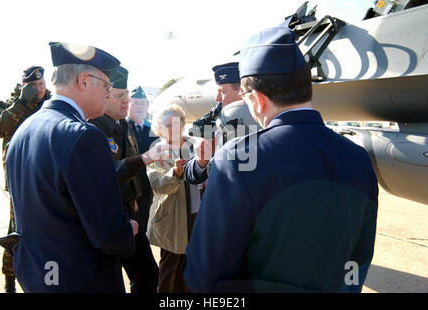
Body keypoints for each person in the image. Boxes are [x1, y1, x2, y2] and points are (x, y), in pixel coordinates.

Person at [184, 26, 378, 293]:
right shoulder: (358, 158)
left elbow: (204, 275)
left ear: (258, 100)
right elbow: (359, 259)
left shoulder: (237, 160)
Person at [5, 42, 171, 292]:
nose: (108, 93)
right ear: (83, 81)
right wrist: (129, 230)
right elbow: (107, 235)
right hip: (80, 278)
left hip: (39, 276)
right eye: (106, 86)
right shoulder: (84, 135)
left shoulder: (24, 130)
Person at [89, 68, 158, 293]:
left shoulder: (123, 124)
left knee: (148, 274)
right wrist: (146, 158)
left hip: (130, 212)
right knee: (111, 279)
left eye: (127, 96)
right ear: (106, 96)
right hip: (108, 218)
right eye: (121, 96)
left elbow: (130, 166)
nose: (126, 102)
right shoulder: (94, 128)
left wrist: (134, 195)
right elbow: (108, 174)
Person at [0, 65, 51, 293]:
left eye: (41, 84)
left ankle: (46, 277)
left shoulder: (51, 103)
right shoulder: (11, 104)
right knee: (17, 231)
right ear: (24, 86)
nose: (38, 90)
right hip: (19, 181)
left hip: (47, 179)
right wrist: (23, 102)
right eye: (33, 86)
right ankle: (9, 278)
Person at [146, 105, 201, 293]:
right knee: (171, 274)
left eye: (178, 123)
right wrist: (176, 173)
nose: (173, 128)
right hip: (173, 220)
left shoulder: (197, 144)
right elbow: (158, 184)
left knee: (192, 270)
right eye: (168, 124)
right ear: (158, 127)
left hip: (198, 216)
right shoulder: (157, 151)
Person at [184, 62, 259, 185]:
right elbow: (189, 174)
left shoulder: (263, 122)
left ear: (242, 92)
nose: (217, 98)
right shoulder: (213, 124)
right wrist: (200, 162)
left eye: (222, 92)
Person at [127, 86, 159, 233]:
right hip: (127, 191)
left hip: (147, 189)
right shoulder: (120, 128)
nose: (140, 107)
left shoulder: (154, 130)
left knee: (143, 229)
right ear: (128, 104)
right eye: (136, 103)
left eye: (143, 103)